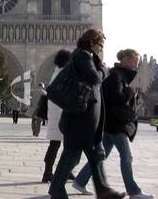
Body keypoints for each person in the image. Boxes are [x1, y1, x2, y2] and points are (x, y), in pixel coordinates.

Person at [48, 29, 126, 199]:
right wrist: (105, 69)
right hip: (80, 118)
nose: (101, 48)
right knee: (72, 155)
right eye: (100, 45)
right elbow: (95, 78)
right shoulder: (82, 56)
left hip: (85, 118)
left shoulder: (85, 56)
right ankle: (56, 189)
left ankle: (103, 190)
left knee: (95, 153)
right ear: (92, 42)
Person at [72, 49, 154, 199]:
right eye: (134, 61)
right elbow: (115, 97)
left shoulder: (116, 74)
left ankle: (80, 181)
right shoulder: (116, 75)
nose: (136, 64)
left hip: (110, 123)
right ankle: (134, 191)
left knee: (100, 156)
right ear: (126, 60)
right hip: (116, 124)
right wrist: (129, 93)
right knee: (126, 156)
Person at [41, 49, 73, 183]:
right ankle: (51, 172)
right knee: (63, 145)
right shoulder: (64, 74)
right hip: (62, 112)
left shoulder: (56, 72)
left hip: (56, 112)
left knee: (56, 144)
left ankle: (56, 171)